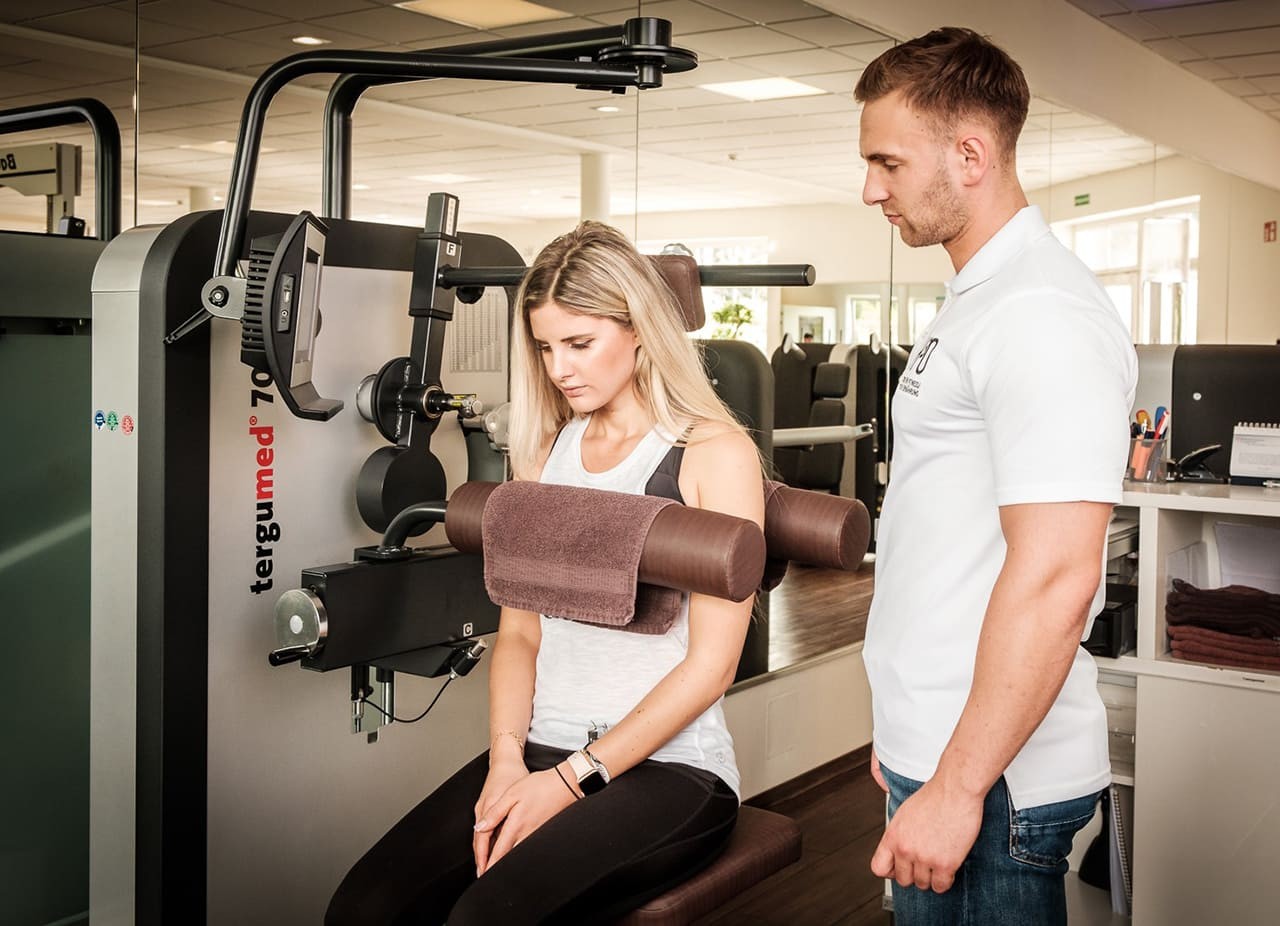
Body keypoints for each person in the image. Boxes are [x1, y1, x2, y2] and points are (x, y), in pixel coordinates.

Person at [325, 221, 763, 925]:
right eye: (546, 347)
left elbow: (711, 668)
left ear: (640, 329)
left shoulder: (712, 451)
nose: (560, 368)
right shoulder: (546, 453)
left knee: (485, 918)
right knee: (364, 908)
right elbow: (520, 635)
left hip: (673, 769)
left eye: (580, 344)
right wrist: (505, 763)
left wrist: (568, 781)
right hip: (538, 746)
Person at [854, 27, 1137, 925]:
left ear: (969, 154)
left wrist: (958, 781)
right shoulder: (980, 300)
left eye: (887, 163)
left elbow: (1057, 577)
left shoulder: (1041, 312)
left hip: (994, 782)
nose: (871, 189)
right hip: (942, 748)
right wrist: (906, 726)